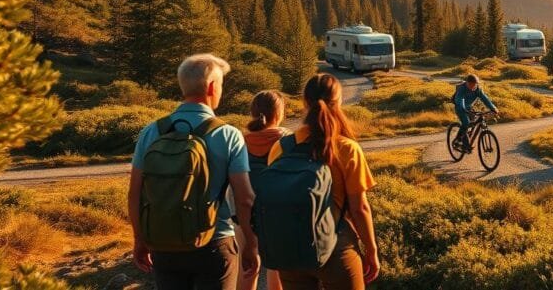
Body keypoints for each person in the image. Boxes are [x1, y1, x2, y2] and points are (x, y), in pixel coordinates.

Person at [127, 54, 259, 290]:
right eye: (221, 85)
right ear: (211, 87)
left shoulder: (152, 131)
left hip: (164, 244)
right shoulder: (228, 134)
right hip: (214, 241)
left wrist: (140, 240)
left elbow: (135, 194)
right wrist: (251, 244)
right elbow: (245, 198)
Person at [267, 74, 380, 290]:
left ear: (304, 102)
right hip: (336, 246)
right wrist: (372, 251)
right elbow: (360, 208)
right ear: (338, 103)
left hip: (290, 250)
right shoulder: (346, 148)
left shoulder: (281, 147)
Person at [239, 91, 291, 290]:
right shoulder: (287, 139)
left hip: (245, 212)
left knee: (248, 267)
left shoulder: (240, 140)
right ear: (279, 113)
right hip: (279, 212)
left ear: (253, 112)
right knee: (276, 268)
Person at [452, 74, 498, 152]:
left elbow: (485, 98)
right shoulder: (462, 89)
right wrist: (463, 108)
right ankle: (459, 141)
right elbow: (460, 99)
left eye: (474, 84)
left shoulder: (477, 89)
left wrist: (493, 108)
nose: (472, 86)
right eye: (471, 84)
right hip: (460, 107)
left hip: (469, 107)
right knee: (466, 123)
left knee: (474, 121)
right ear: (467, 83)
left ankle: (466, 135)